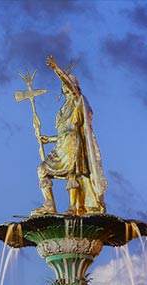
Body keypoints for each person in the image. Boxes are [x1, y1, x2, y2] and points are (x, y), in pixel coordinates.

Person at [32, 55, 107, 216]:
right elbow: (63, 133)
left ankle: (73, 207)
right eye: (64, 83)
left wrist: (56, 68)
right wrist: (49, 139)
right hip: (61, 145)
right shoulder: (62, 110)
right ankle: (49, 204)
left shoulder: (77, 101)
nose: (65, 85)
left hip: (73, 143)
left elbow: (72, 130)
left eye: (69, 83)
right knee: (42, 169)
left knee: (72, 173)